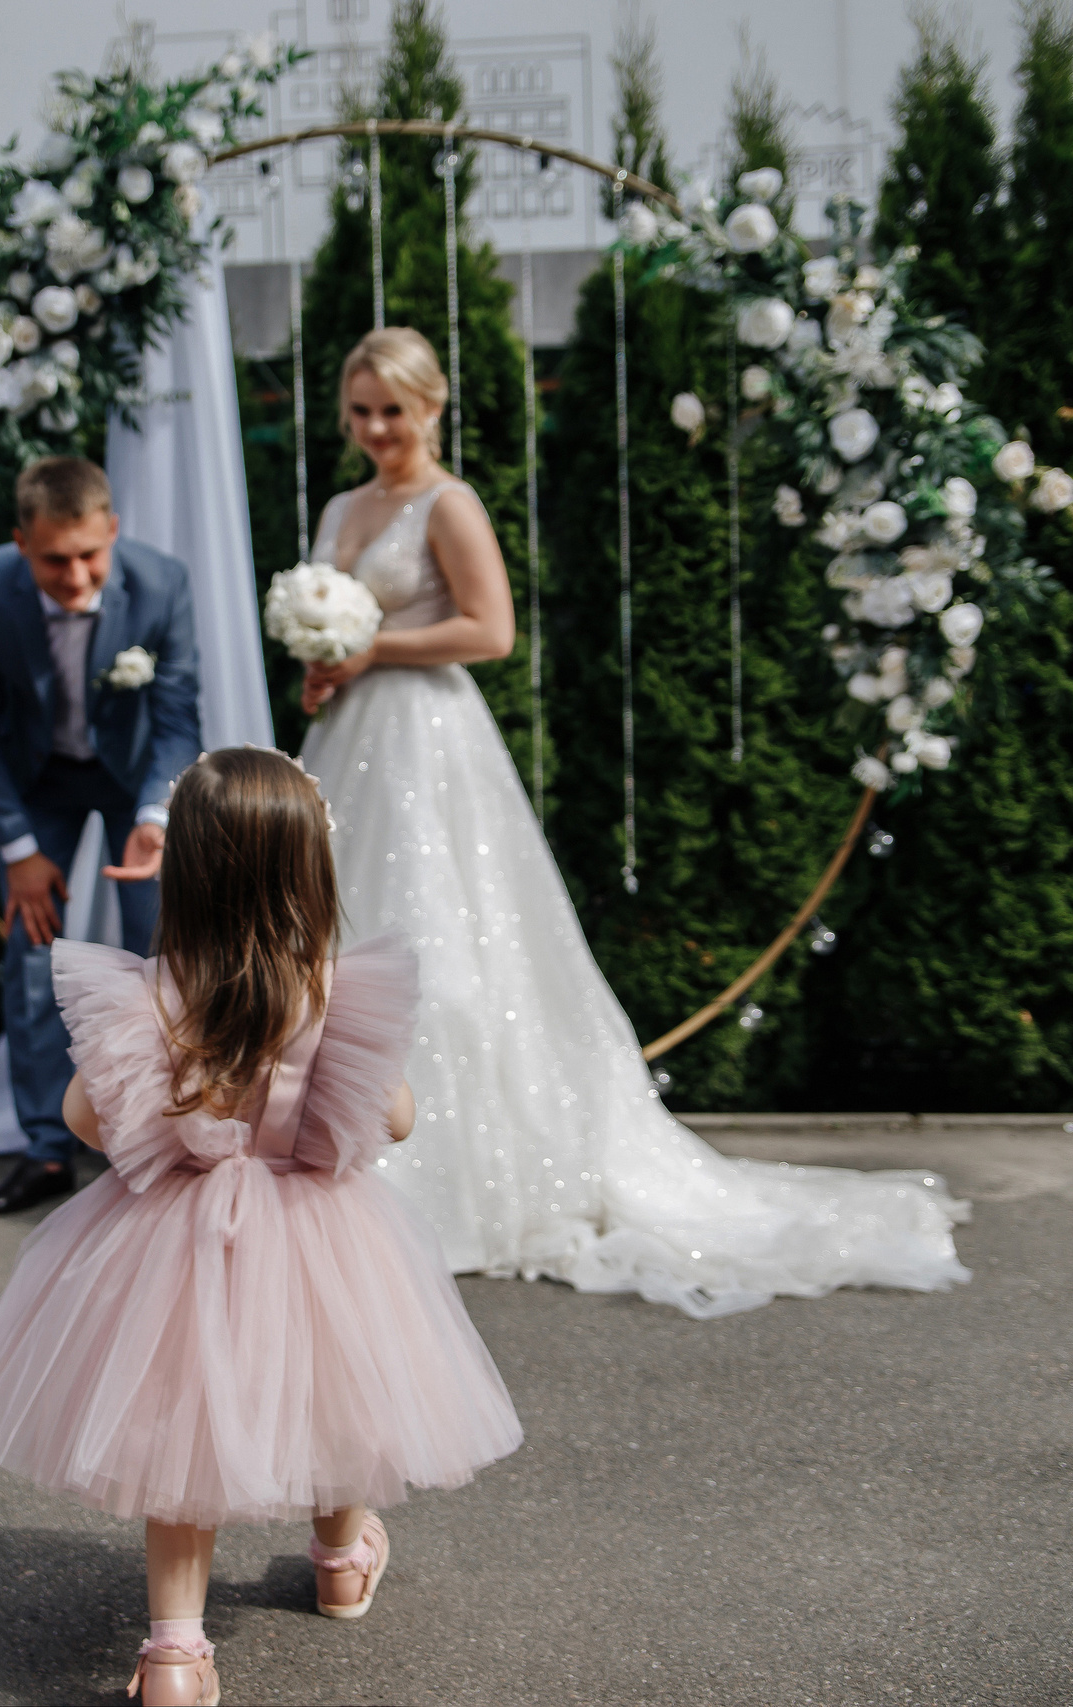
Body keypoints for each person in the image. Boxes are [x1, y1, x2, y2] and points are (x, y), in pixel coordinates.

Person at [297, 327, 973, 1317]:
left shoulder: (450, 503)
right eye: (360, 411)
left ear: (431, 407)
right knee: (334, 924)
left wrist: (374, 651)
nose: (375, 429)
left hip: (428, 736)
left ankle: (451, 1177)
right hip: (349, 735)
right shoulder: (340, 507)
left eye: (392, 410)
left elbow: (491, 629)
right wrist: (325, 667)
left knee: (437, 938)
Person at [0, 749, 521, 1706]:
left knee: (178, 1432)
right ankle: (340, 1562)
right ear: (308, 869)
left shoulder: (151, 995)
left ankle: (175, 1651)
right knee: (339, 1386)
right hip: (317, 1230)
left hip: (176, 1237)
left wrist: (173, 1119)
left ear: (188, 870)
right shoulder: (330, 992)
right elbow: (397, 1117)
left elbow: (85, 1117)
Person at [0, 457, 202, 1216]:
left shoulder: (161, 583)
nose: (77, 575)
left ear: (113, 530)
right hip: (38, 782)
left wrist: (155, 818)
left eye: (90, 554)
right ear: (21, 543)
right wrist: (19, 849)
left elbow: (177, 718)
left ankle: (160, 1139)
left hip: (133, 783)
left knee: (161, 954)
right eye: (55, 559)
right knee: (33, 956)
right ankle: (46, 1151)